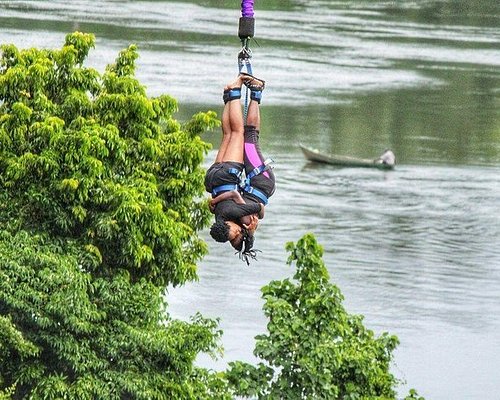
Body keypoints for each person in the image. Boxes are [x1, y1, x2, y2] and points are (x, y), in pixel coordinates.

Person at [204, 73, 275, 261]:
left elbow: (259, 208)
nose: (234, 235)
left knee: (241, 134)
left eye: (232, 235)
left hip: (248, 178)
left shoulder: (239, 218)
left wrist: (251, 227)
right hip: (244, 178)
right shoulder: (222, 218)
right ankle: (231, 95)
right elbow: (255, 209)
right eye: (235, 237)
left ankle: (240, 91)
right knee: (231, 134)